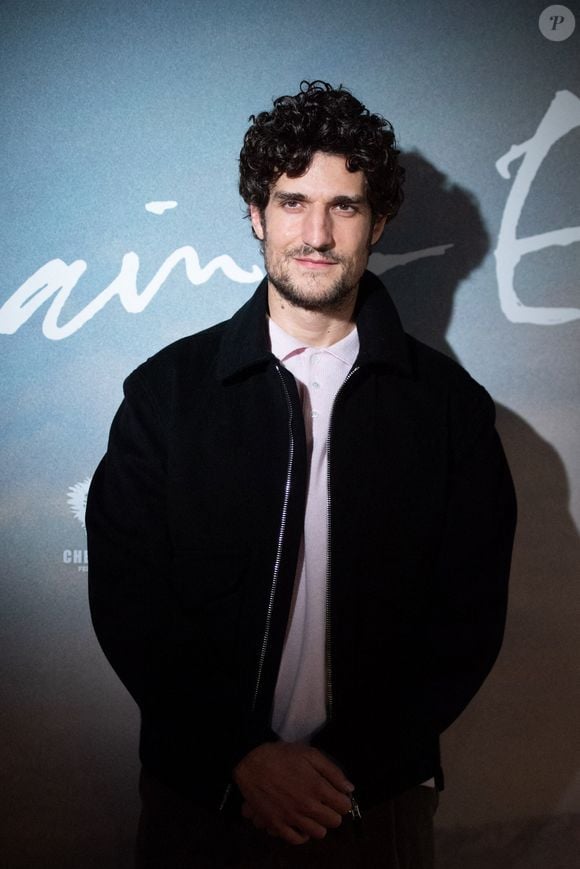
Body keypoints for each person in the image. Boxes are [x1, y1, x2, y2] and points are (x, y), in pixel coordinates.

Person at [86, 81, 517, 868]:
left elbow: (466, 621)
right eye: (292, 202)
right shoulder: (166, 394)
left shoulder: (451, 411)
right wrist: (240, 756)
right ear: (256, 214)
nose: (316, 233)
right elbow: (130, 600)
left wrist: (348, 773)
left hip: (373, 804)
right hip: (201, 801)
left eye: (344, 206)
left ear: (378, 221)